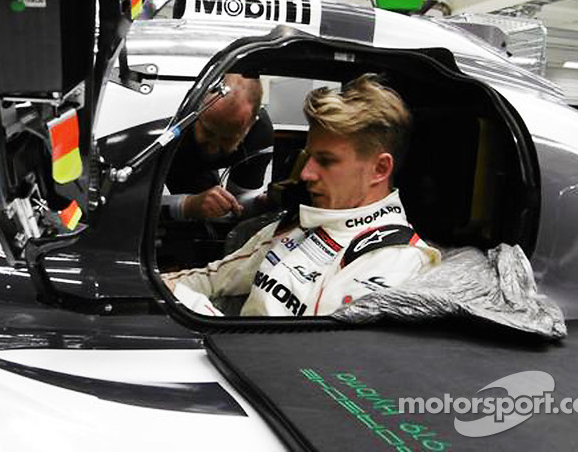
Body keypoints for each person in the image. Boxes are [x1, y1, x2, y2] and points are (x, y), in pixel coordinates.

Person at [162, 74, 441, 316]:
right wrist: (152, 283)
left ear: (380, 168)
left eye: (326, 160)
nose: (306, 173)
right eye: (308, 157)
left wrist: (189, 304)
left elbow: (308, 355)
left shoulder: (393, 258)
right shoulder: (298, 222)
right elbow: (213, 279)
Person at [162, 73, 273, 220]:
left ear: (251, 125)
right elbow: (127, 204)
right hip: (176, 157)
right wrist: (186, 206)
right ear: (197, 110)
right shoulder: (165, 124)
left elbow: (240, 198)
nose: (212, 149)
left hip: (194, 165)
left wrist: (256, 204)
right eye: (207, 131)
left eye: (228, 138)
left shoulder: (259, 134)